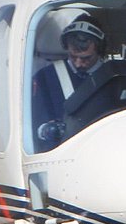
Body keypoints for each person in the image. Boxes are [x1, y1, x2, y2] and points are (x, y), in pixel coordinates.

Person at [31, 14, 108, 151]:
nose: (78, 64)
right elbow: (32, 123)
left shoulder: (113, 77)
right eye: (73, 56)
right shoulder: (45, 77)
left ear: (100, 51)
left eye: (86, 58)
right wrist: (46, 130)